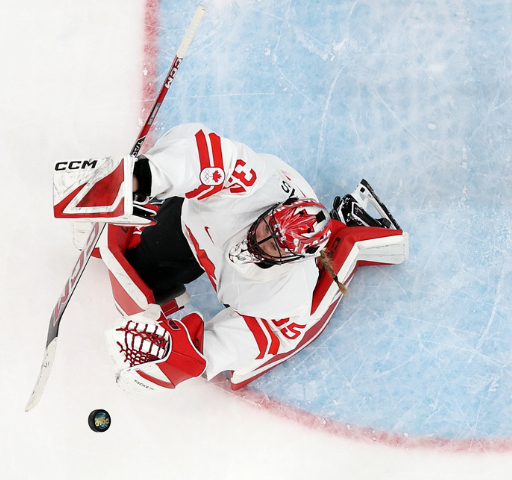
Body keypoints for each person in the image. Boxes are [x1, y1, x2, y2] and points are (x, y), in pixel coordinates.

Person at [55, 123, 408, 393]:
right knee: (144, 270)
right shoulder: (254, 185)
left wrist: (185, 353)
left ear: (289, 259)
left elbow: (260, 338)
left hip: (245, 261)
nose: (261, 239)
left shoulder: (287, 292)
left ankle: (348, 225)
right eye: (266, 227)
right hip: (201, 227)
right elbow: (203, 155)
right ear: (271, 212)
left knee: (312, 294)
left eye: (272, 246)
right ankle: (151, 206)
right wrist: (140, 179)